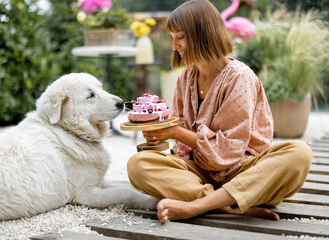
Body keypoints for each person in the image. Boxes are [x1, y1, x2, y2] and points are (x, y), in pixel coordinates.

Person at [127, 0, 313, 224]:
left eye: (181, 37)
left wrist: (175, 133)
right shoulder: (185, 79)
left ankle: (196, 206)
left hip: (244, 172)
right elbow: (183, 147)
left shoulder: (239, 77)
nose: (174, 46)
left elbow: (228, 150)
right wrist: (159, 135)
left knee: (299, 153)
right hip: (202, 173)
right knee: (138, 164)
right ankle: (226, 206)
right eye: (173, 38)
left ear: (202, 34)